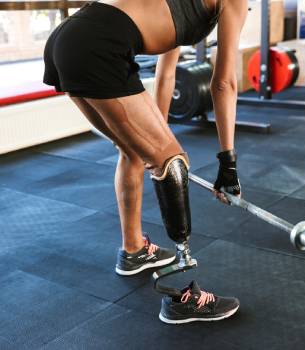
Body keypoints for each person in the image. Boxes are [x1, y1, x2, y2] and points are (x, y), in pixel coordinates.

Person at [43, 0, 247, 324]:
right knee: (173, 165)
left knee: (137, 153)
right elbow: (224, 82)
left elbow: (167, 76)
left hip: (68, 39)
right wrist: (228, 163)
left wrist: (158, 139)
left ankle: (134, 250)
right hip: (98, 46)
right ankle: (181, 290)